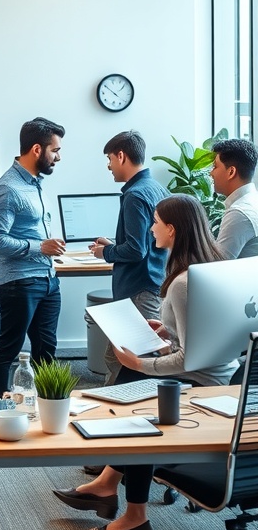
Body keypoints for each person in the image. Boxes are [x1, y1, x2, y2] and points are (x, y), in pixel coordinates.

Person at [53, 194, 239, 530]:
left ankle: (133, 514)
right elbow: (203, 336)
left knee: (134, 406)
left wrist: (143, 362)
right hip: (224, 375)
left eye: (155, 221)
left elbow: (188, 359)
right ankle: (108, 483)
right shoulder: (212, 266)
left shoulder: (183, 283)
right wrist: (167, 329)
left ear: (171, 229)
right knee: (131, 385)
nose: (151, 227)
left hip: (201, 382)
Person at [0, 117, 66, 398]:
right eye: (55, 150)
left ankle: (46, 408)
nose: (58, 156)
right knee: (9, 348)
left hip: (47, 280)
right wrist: (39, 247)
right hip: (20, 283)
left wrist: (47, 248)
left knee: (46, 351)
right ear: (36, 149)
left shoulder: (34, 183)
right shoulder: (7, 188)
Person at [88, 130, 168, 384]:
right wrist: (115, 245)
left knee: (132, 359)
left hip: (139, 288)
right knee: (117, 357)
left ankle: (121, 410)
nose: (109, 166)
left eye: (110, 159)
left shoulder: (135, 195)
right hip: (152, 281)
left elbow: (136, 250)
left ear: (121, 156)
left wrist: (107, 252)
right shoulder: (155, 188)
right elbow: (146, 241)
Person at [211, 138, 258, 259]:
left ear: (231, 172)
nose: (211, 173)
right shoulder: (252, 201)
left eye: (215, 167)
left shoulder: (239, 213)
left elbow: (217, 265)